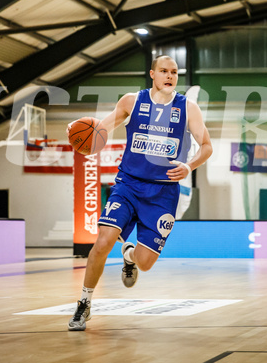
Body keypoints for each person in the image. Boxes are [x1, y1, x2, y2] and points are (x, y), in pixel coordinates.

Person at [67, 55, 213, 331]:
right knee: (102, 242)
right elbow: (100, 129)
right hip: (128, 184)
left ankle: (129, 256)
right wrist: (76, 131)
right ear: (152, 74)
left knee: (145, 264)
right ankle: (84, 303)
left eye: (174, 72)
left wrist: (189, 165)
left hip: (163, 191)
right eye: (163, 71)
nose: (169, 76)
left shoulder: (188, 108)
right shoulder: (132, 101)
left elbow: (206, 145)